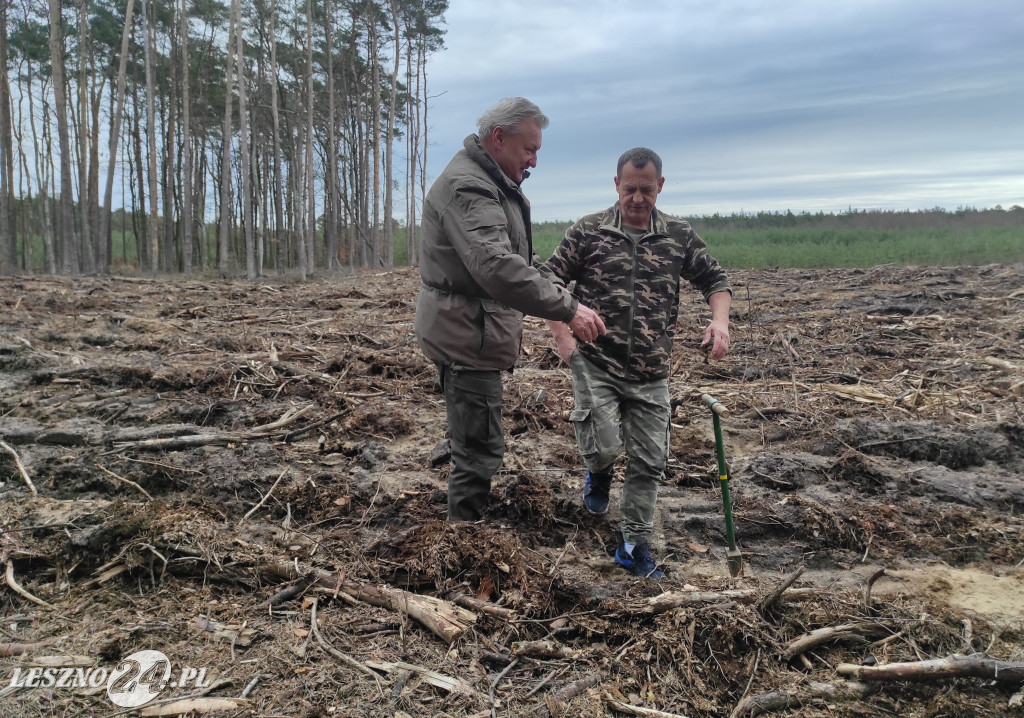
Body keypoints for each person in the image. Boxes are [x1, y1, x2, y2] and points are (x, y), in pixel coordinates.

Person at [415, 97, 606, 522]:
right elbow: (497, 268)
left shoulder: (489, 181)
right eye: (529, 149)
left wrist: (559, 287)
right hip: (466, 336)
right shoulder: (470, 186)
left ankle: (463, 496)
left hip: (470, 330)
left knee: (473, 437)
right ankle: (464, 538)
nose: (534, 160)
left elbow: (514, 255)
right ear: (498, 138)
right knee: (480, 451)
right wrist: (567, 309)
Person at [545, 147, 732, 579]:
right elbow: (548, 281)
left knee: (651, 461)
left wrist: (719, 323)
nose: (637, 198)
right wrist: (562, 337)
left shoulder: (677, 236)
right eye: (629, 189)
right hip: (596, 363)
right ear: (616, 185)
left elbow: (715, 281)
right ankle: (599, 472)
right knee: (605, 445)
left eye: (646, 190)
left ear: (660, 187)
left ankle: (632, 546)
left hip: (651, 373)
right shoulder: (589, 231)